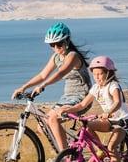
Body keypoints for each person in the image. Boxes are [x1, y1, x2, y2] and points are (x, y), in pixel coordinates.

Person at [11, 22, 92, 152]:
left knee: (53, 119)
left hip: (81, 98)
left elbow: (61, 73)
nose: (55, 47)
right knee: (42, 126)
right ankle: (71, 146)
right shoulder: (56, 57)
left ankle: (66, 157)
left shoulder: (73, 56)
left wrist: (43, 86)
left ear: (67, 41)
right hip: (67, 98)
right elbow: (43, 75)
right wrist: (24, 87)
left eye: (59, 44)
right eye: (52, 45)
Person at [65, 56, 128, 162]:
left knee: (112, 147)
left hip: (121, 121)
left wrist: (108, 112)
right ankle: (100, 151)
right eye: (94, 74)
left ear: (108, 73)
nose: (97, 77)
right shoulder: (96, 88)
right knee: (87, 125)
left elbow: (118, 102)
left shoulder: (113, 85)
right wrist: (66, 110)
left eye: (100, 74)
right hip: (108, 120)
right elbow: (82, 104)